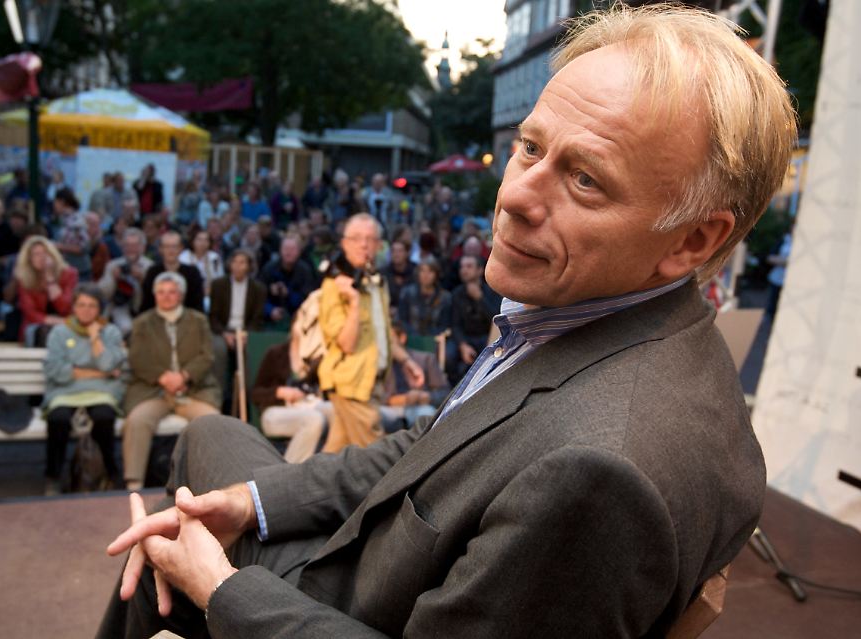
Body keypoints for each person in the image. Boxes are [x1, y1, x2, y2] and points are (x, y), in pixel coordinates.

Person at [97, 5, 792, 637]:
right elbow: (432, 447)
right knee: (209, 441)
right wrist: (249, 504)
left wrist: (220, 588)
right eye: (528, 147)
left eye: (585, 178)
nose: (516, 195)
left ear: (692, 241)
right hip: (364, 563)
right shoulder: (595, 321)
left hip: (342, 605)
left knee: (163, 545)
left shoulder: (599, 478)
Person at [316, 214, 424, 453]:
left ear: (378, 245)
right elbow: (346, 343)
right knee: (376, 457)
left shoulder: (378, 282)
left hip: (371, 384)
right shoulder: (334, 286)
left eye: (370, 239)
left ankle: (294, 488)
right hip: (350, 383)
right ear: (344, 244)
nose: (363, 244)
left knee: (334, 459)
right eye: (356, 238)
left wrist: (406, 361)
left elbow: (383, 331)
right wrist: (354, 302)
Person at [122, 272, 221, 491]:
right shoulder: (142, 323)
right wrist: (164, 377)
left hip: (193, 390)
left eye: (172, 292)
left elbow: (206, 356)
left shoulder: (198, 320)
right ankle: (134, 484)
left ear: (181, 295)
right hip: (153, 391)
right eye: (161, 292)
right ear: (154, 295)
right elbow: (137, 358)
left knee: (211, 421)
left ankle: (210, 483)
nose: (166, 297)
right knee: (138, 420)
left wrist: (184, 376)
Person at [41, 284, 127, 495]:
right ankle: (53, 476)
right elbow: (55, 370)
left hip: (101, 392)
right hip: (65, 391)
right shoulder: (60, 333)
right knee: (58, 419)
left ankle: (110, 471)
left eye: (92, 305)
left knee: (104, 417)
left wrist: (95, 337)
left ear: (100, 309)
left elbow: (109, 365)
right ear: (73, 307)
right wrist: (99, 374)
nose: (86, 310)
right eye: (81, 305)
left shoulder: (111, 332)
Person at [250, 331, 331, 465]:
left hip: (307, 406)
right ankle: (287, 474)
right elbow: (255, 393)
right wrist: (279, 391)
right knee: (314, 419)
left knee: (333, 410)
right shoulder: (276, 354)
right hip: (275, 410)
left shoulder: (316, 357)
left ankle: (329, 468)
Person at [207, 249, 266, 405]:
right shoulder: (219, 285)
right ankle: (218, 396)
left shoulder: (258, 288)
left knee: (250, 351)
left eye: (242, 263)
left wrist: (246, 334)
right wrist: (225, 334)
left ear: (248, 266)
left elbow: (257, 318)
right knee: (219, 349)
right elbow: (213, 317)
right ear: (230, 264)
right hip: (223, 331)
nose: (238, 266)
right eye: (235, 262)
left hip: (246, 331)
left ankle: (246, 399)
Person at [379, 321, 449, 433]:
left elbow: (445, 394)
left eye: (390, 339)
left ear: (402, 338)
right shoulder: (380, 364)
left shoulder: (425, 359)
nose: (386, 344)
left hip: (420, 407)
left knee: (428, 415)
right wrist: (396, 400)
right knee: (373, 416)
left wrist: (425, 397)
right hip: (390, 410)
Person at [14, 236, 78, 346]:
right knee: (48, 332)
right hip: (37, 325)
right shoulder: (24, 279)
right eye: (36, 254)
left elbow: (64, 308)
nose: (42, 257)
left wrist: (50, 279)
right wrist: (57, 322)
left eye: (45, 253)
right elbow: (30, 313)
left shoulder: (69, 274)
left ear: (53, 255)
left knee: (66, 334)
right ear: (29, 259)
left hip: (65, 325)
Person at [447, 255, 502, 383]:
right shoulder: (457, 294)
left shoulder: (492, 291)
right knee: (449, 355)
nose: (464, 270)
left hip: (487, 337)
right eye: (462, 267)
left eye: (469, 266)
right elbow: (455, 324)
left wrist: (480, 299)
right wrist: (463, 345)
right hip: (465, 337)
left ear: (479, 270)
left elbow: (496, 320)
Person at [98, 228, 153, 335]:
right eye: (127, 245)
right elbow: (103, 294)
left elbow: (154, 295)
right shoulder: (113, 265)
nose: (130, 249)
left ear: (142, 247)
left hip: (144, 309)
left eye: (135, 245)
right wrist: (113, 279)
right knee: (126, 327)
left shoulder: (150, 267)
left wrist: (142, 278)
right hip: (120, 307)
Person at [139, 231, 206, 315]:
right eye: (166, 246)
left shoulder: (192, 273)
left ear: (181, 248)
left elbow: (197, 305)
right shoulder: (152, 272)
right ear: (160, 249)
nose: (171, 250)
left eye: (174, 246)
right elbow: (147, 303)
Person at [258, 236, 315, 327]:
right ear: (280, 250)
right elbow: (258, 296)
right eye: (286, 249)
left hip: (298, 318)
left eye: (292, 249)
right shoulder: (269, 268)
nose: (288, 252)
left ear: (299, 252)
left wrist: (288, 294)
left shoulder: (305, 271)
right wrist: (270, 310)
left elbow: (308, 299)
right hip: (269, 319)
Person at [396, 256, 451, 338]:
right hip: (410, 338)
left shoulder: (445, 297)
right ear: (418, 273)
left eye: (430, 271)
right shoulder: (407, 293)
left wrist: (430, 337)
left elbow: (445, 325)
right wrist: (413, 334)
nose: (426, 275)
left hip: (435, 341)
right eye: (422, 271)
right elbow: (401, 320)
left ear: (436, 274)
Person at [179, 229, 224, 297]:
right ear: (192, 241)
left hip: (211, 294)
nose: (203, 243)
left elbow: (220, 279)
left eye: (206, 240)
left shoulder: (214, 257)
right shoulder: (184, 257)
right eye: (199, 239)